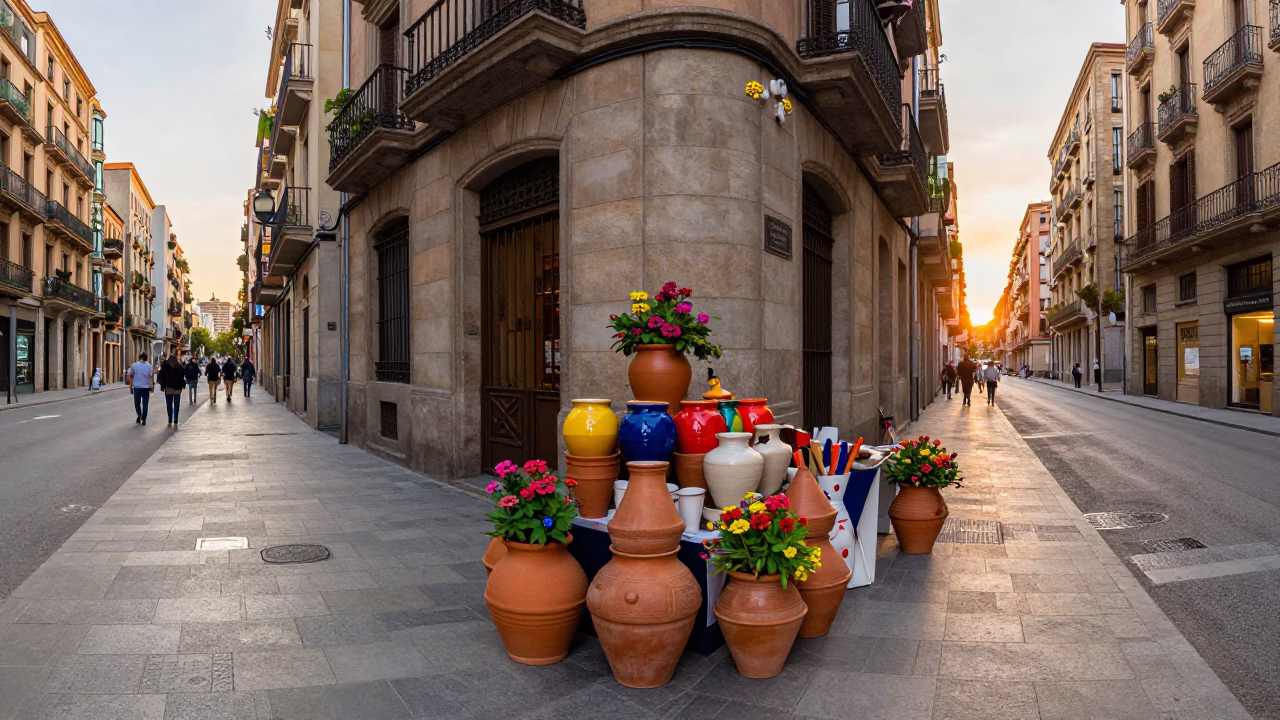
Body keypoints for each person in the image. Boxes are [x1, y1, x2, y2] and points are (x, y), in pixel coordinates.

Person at [126, 351, 155, 425]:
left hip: (137, 387)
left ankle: (140, 415)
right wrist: (152, 387)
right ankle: (144, 419)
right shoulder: (149, 366)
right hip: (146, 387)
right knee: (145, 404)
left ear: (140, 358)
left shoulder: (134, 365)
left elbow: (131, 375)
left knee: (137, 403)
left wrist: (130, 385)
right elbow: (151, 377)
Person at [158, 353, 186, 426]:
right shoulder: (180, 366)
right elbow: (184, 375)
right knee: (177, 404)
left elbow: (160, 376)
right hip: (178, 388)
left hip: (168, 387)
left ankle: (170, 418)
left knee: (169, 404)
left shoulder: (165, 366)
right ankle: (175, 418)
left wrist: (162, 384)